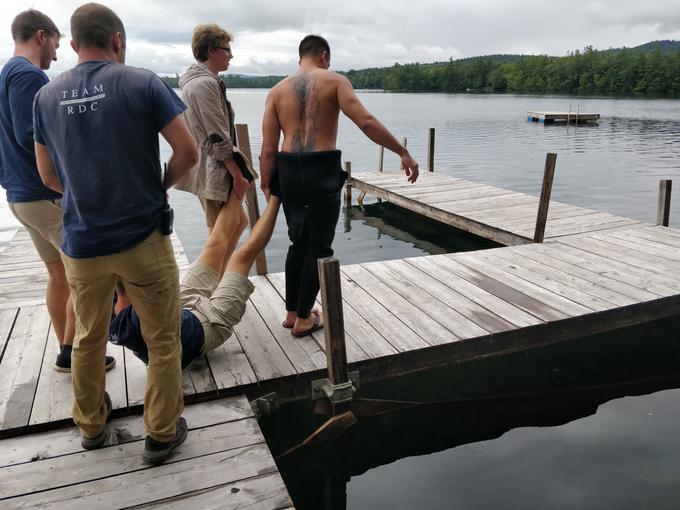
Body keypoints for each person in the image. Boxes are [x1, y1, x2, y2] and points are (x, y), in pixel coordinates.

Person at [33, 3, 198, 465]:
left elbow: (45, 173)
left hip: (82, 244)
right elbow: (187, 152)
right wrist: (157, 187)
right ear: (117, 40)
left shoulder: (45, 97)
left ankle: (91, 426)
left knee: (87, 336)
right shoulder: (143, 82)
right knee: (164, 338)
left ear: (73, 42)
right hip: (142, 237)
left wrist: (83, 194)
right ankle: (161, 433)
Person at [260, 34, 419, 337]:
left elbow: (268, 149)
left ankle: (292, 312)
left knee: (297, 243)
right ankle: (305, 318)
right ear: (324, 56)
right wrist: (402, 151)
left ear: (299, 59)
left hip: (289, 171)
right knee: (318, 247)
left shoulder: (277, 91)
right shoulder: (334, 80)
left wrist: (267, 183)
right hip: (321, 169)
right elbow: (366, 122)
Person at [0, 9, 115, 373]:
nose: (56, 52)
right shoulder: (28, 76)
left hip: (22, 195)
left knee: (59, 273)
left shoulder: (6, 73)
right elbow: (28, 133)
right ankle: (75, 353)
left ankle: (66, 350)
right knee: (87, 274)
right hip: (43, 192)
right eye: (54, 42)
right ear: (40, 36)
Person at [110, 193, 281, 368]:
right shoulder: (139, 312)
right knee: (243, 256)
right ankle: (276, 198)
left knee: (215, 244)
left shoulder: (111, 305)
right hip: (208, 328)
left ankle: (238, 192)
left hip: (180, 312)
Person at [175, 23, 251, 273]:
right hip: (214, 169)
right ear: (211, 50)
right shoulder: (204, 84)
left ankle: (217, 279)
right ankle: (210, 285)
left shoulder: (195, 82)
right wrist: (238, 175)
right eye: (226, 49)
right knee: (220, 232)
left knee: (237, 222)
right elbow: (218, 136)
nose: (231, 55)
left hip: (206, 165)